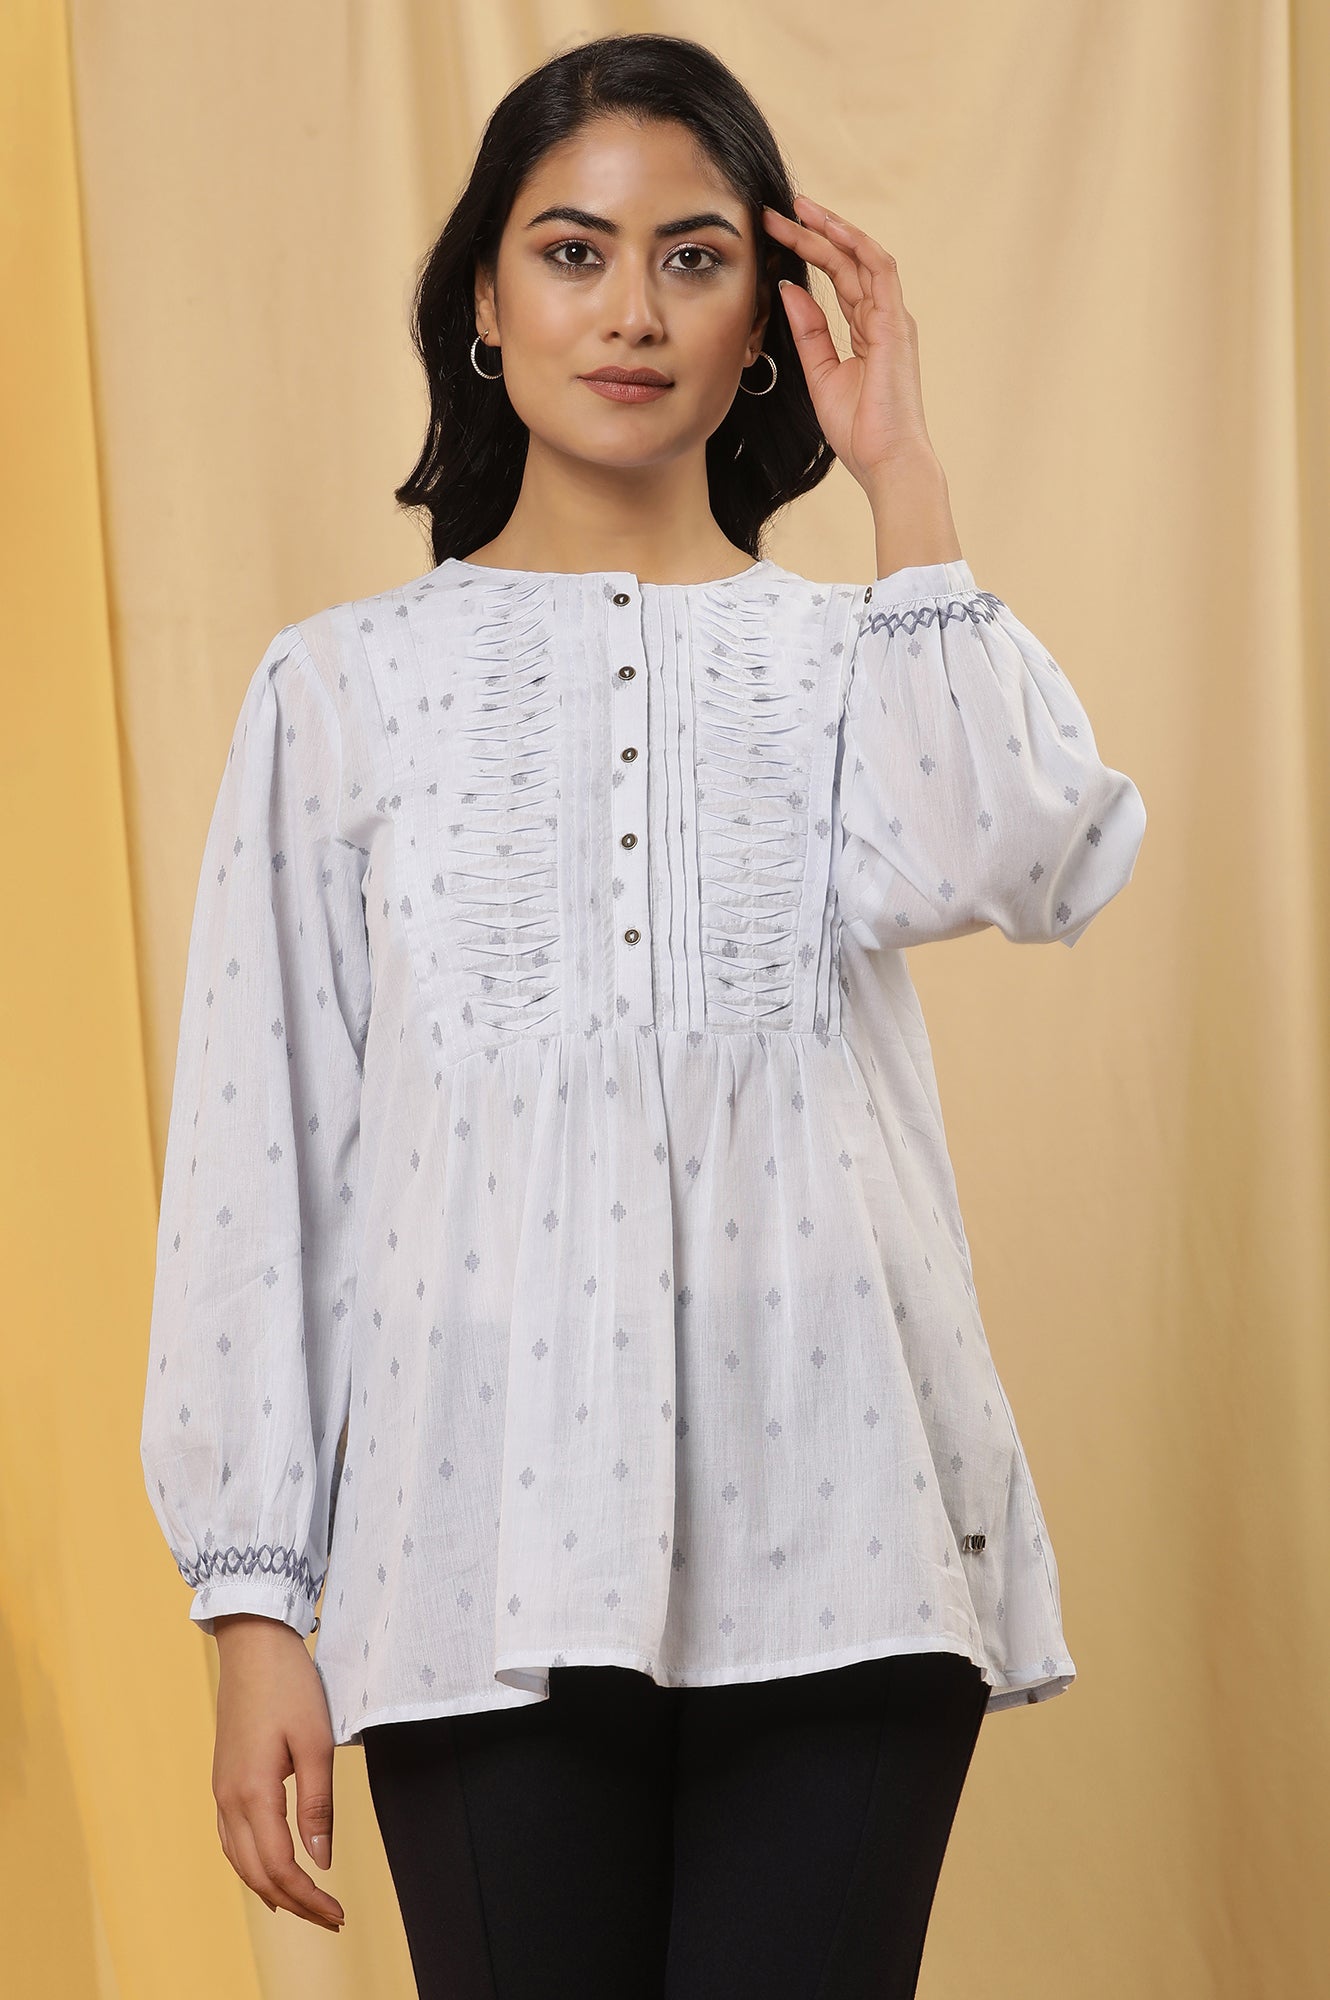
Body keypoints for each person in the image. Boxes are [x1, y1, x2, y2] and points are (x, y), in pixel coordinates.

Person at [139, 30, 1147, 2000]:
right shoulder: (340, 690)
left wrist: (905, 475)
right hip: (472, 1563)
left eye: (694, 258)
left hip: (849, 1540)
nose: (630, 310)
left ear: (765, 322)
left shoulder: (857, 657)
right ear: (483, 303)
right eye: (573, 251)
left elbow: (1029, 858)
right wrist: (254, 1602)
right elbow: (265, 1158)